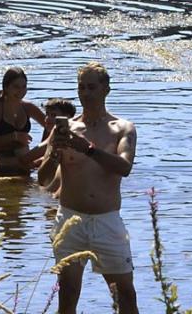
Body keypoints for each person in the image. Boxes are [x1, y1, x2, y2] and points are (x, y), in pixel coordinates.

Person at [49, 62, 138, 314]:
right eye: (81, 88)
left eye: (91, 87)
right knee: (67, 296)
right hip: (70, 220)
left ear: (106, 89)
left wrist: (86, 148)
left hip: (107, 221)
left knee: (126, 296)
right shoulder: (67, 129)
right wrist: (53, 154)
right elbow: (45, 179)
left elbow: (124, 167)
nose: (85, 93)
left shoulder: (122, 128)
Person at [0, 67, 48, 176]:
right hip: (2, 160)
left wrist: (44, 146)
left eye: (24, 87)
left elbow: (51, 126)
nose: (21, 91)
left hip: (25, 158)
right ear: (6, 87)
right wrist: (14, 136)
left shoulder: (28, 107)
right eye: (16, 87)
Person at [34, 97, 78, 192]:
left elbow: (27, 158)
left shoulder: (76, 136)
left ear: (68, 118)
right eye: (47, 114)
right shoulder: (50, 132)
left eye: (53, 115)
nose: (47, 119)